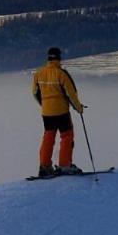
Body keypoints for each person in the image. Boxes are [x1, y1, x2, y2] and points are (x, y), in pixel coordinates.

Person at [31, 47, 85, 178]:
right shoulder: (61, 73)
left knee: (48, 137)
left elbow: (35, 92)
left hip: (46, 113)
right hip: (61, 112)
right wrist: (79, 108)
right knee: (66, 136)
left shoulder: (39, 73)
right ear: (59, 58)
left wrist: (44, 105)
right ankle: (64, 165)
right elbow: (71, 94)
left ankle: (44, 167)